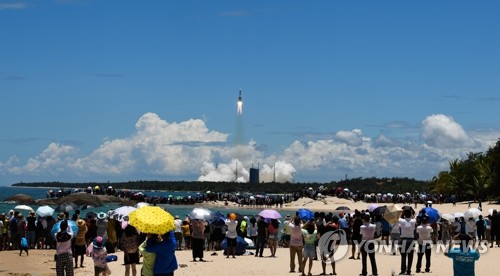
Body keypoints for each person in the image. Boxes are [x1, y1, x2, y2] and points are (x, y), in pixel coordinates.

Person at [398, 209, 416, 275]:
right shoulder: (413, 221)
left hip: (403, 240)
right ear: (410, 214)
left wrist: (401, 213)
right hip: (411, 240)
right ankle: (409, 270)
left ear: (404, 214)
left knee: (403, 256)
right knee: (410, 257)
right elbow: (415, 217)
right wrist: (412, 215)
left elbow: (397, 218)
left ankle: (403, 270)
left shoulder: (402, 220)